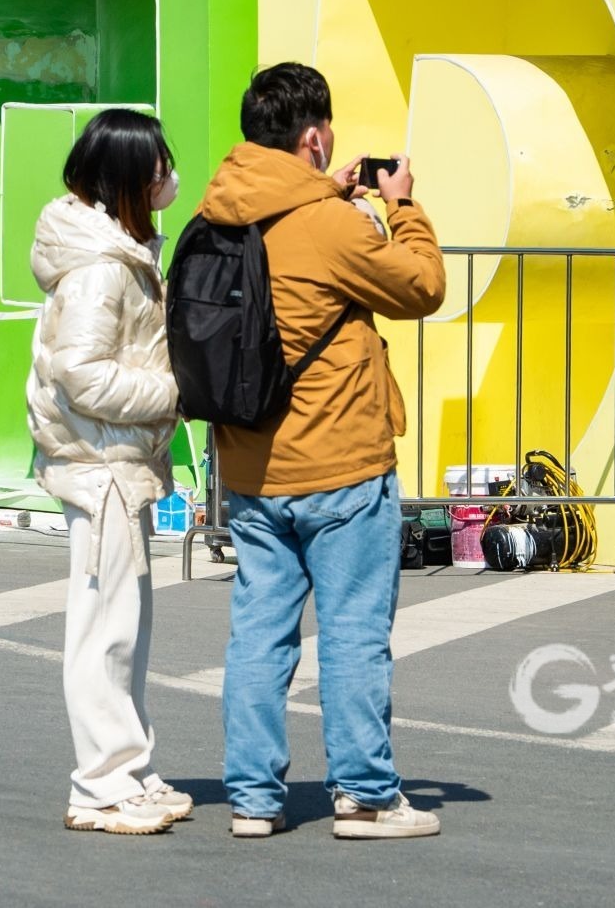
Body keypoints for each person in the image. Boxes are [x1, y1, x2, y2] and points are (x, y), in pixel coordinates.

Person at [194, 63, 445, 841]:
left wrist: (327, 192)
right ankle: (366, 795)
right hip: (339, 465)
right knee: (352, 632)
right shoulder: (334, 225)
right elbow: (422, 287)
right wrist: (402, 209)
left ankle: (253, 799)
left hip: (251, 472)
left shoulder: (216, 217)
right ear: (313, 137)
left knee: (260, 635)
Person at [25, 108, 192, 836]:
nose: (167, 176)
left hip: (117, 460)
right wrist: (174, 395)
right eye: (156, 164)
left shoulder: (122, 252)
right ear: (127, 176)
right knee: (104, 630)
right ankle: (99, 786)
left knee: (122, 626)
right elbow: (83, 374)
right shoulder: (100, 269)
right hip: (102, 466)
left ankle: (127, 770)